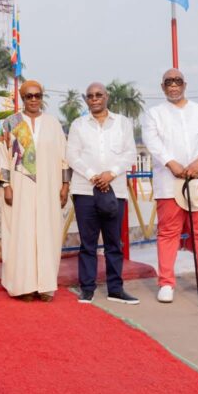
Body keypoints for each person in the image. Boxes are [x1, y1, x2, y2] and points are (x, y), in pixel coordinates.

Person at [141, 69, 198, 304]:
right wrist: (170, 162)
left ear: (184, 84)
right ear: (162, 87)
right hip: (170, 182)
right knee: (168, 233)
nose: (173, 85)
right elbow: (152, 142)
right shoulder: (153, 114)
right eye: (168, 82)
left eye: (177, 81)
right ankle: (166, 283)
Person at [0, 80, 69, 301]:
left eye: (37, 96)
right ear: (22, 98)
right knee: (21, 234)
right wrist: (6, 186)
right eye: (29, 96)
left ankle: (45, 286)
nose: (34, 100)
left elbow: (65, 156)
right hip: (20, 188)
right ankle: (23, 286)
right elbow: (1, 157)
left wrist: (65, 185)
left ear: (42, 97)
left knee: (48, 233)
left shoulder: (53, 124)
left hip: (49, 188)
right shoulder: (11, 123)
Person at [67, 82, 139, 304]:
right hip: (85, 191)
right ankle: (87, 289)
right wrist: (93, 176)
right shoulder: (78, 125)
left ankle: (115, 289)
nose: (95, 98)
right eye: (90, 96)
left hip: (114, 190)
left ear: (106, 96)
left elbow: (130, 153)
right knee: (87, 243)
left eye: (99, 94)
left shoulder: (122, 123)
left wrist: (111, 174)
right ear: (86, 99)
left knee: (113, 243)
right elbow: (72, 155)